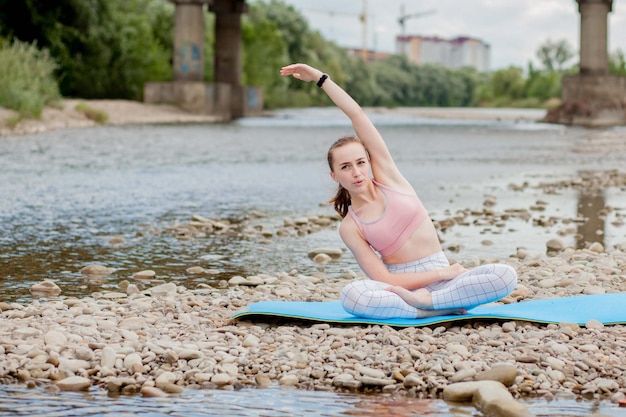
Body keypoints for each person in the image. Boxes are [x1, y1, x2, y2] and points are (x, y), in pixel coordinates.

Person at [280, 63, 518, 320]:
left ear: (369, 162)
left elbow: (357, 115)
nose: (357, 172)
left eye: (361, 163)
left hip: (444, 281)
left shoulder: (390, 179)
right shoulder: (350, 226)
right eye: (346, 167)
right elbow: (382, 278)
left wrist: (320, 78)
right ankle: (432, 307)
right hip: (405, 288)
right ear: (334, 175)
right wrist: (442, 274)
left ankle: (430, 304)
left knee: (506, 275)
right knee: (352, 295)